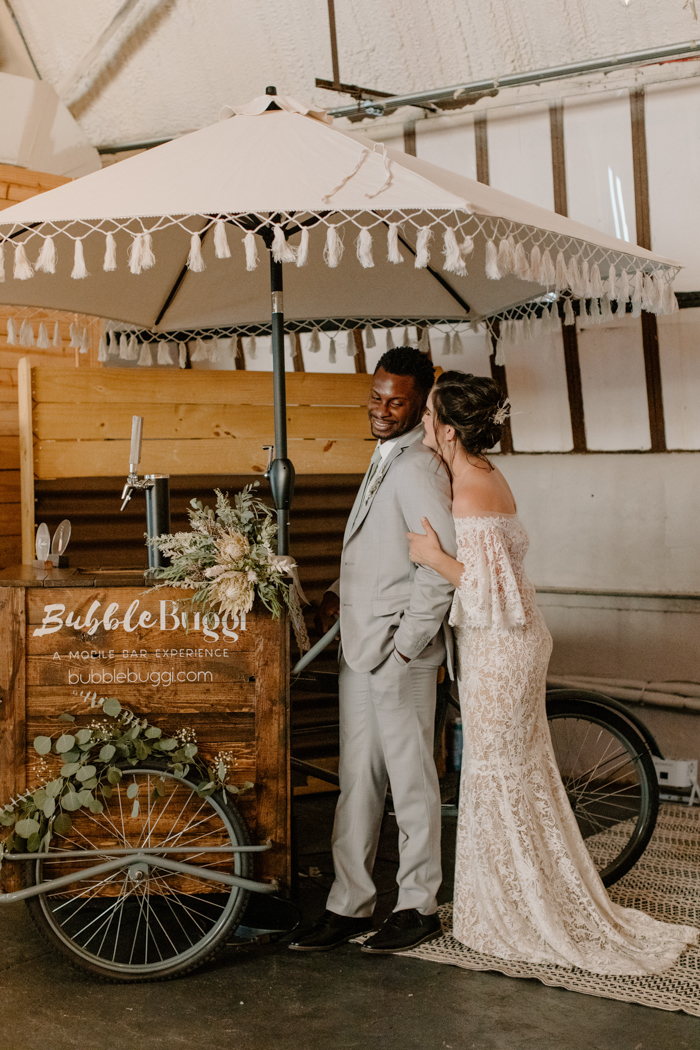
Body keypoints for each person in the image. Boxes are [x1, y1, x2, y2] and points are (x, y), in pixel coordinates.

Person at [406, 369, 698, 973]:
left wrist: (433, 557)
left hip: (501, 648)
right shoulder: (479, 474)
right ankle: (510, 903)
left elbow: (485, 588)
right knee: (510, 775)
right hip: (508, 641)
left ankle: (518, 914)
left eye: (431, 414)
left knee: (499, 776)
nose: (424, 423)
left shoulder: (470, 490)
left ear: (451, 430)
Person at [289, 348, 457, 955]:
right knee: (356, 781)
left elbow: (440, 568)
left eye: (396, 402)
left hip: (398, 653)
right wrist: (335, 594)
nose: (381, 411)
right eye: (375, 399)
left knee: (411, 781)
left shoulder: (419, 467)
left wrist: (408, 647)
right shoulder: (385, 454)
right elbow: (379, 550)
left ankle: (418, 905)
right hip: (359, 646)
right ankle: (349, 903)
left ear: (421, 404)